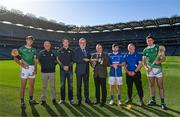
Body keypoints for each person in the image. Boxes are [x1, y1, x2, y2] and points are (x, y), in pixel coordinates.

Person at [13, 36, 38, 109]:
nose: (30, 41)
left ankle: (31, 99)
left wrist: (35, 69)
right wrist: (22, 65)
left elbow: (35, 60)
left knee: (31, 86)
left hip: (32, 68)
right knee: (23, 86)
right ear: (26, 40)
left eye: (31, 40)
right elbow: (15, 57)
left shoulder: (34, 49)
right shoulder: (21, 48)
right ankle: (22, 102)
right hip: (24, 69)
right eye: (29, 40)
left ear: (33, 41)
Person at [143, 35, 167, 109]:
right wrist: (146, 68)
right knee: (151, 85)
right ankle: (153, 100)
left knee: (160, 86)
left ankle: (163, 102)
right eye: (148, 41)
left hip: (158, 69)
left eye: (150, 40)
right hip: (150, 70)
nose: (149, 42)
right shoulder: (145, 50)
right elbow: (144, 61)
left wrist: (159, 61)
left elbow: (164, 58)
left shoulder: (158, 47)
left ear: (153, 41)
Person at [38, 41, 58, 105]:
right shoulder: (41, 52)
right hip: (44, 72)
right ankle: (43, 99)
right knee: (44, 86)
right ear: (44, 45)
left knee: (53, 86)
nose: (47, 45)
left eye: (48, 44)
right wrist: (43, 66)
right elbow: (38, 61)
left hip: (52, 72)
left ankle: (53, 98)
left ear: (50, 45)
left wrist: (52, 65)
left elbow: (56, 61)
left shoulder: (54, 52)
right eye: (46, 45)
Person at [74, 38, 91, 105]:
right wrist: (83, 59)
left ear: (86, 43)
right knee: (79, 86)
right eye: (81, 42)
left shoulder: (88, 50)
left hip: (86, 71)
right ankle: (79, 99)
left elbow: (89, 58)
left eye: (84, 42)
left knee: (86, 86)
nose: (83, 44)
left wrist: (90, 60)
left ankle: (87, 98)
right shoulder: (76, 50)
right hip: (79, 71)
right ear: (79, 43)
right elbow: (75, 59)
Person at [57, 38, 74, 104]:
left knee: (70, 85)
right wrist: (63, 66)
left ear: (68, 43)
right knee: (62, 85)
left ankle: (71, 99)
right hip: (62, 71)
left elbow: (73, 60)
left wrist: (68, 66)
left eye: (67, 42)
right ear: (63, 43)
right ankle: (62, 99)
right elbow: (58, 61)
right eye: (65, 42)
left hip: (70, 71)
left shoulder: (71, 51)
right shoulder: (59, 51)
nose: (66, 43)